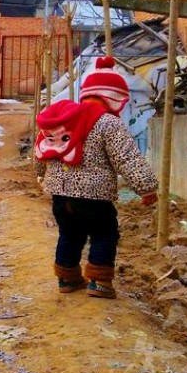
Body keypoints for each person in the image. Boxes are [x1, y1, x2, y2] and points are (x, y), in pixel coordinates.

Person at [33, 56, 158, 299]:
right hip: (95, 196)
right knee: (105, 232)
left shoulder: (65, 118)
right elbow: (127, 158)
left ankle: (67, 278)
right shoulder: (107, 122)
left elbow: (41, 148)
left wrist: (40, 175)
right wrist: (146, 188)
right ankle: (100, 281)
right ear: (114, 97)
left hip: (60, 194)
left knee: (69, 233)